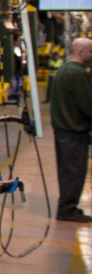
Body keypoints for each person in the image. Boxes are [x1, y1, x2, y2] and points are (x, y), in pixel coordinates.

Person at [49, 36, 92, 222]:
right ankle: (67, 209)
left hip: (63, 130)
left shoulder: (65, 69)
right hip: (74, 131)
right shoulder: (78, 74)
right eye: (91, 51)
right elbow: (88, 105)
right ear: (80, 52)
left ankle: (67, 207)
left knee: (68, 171)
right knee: (75, 172)